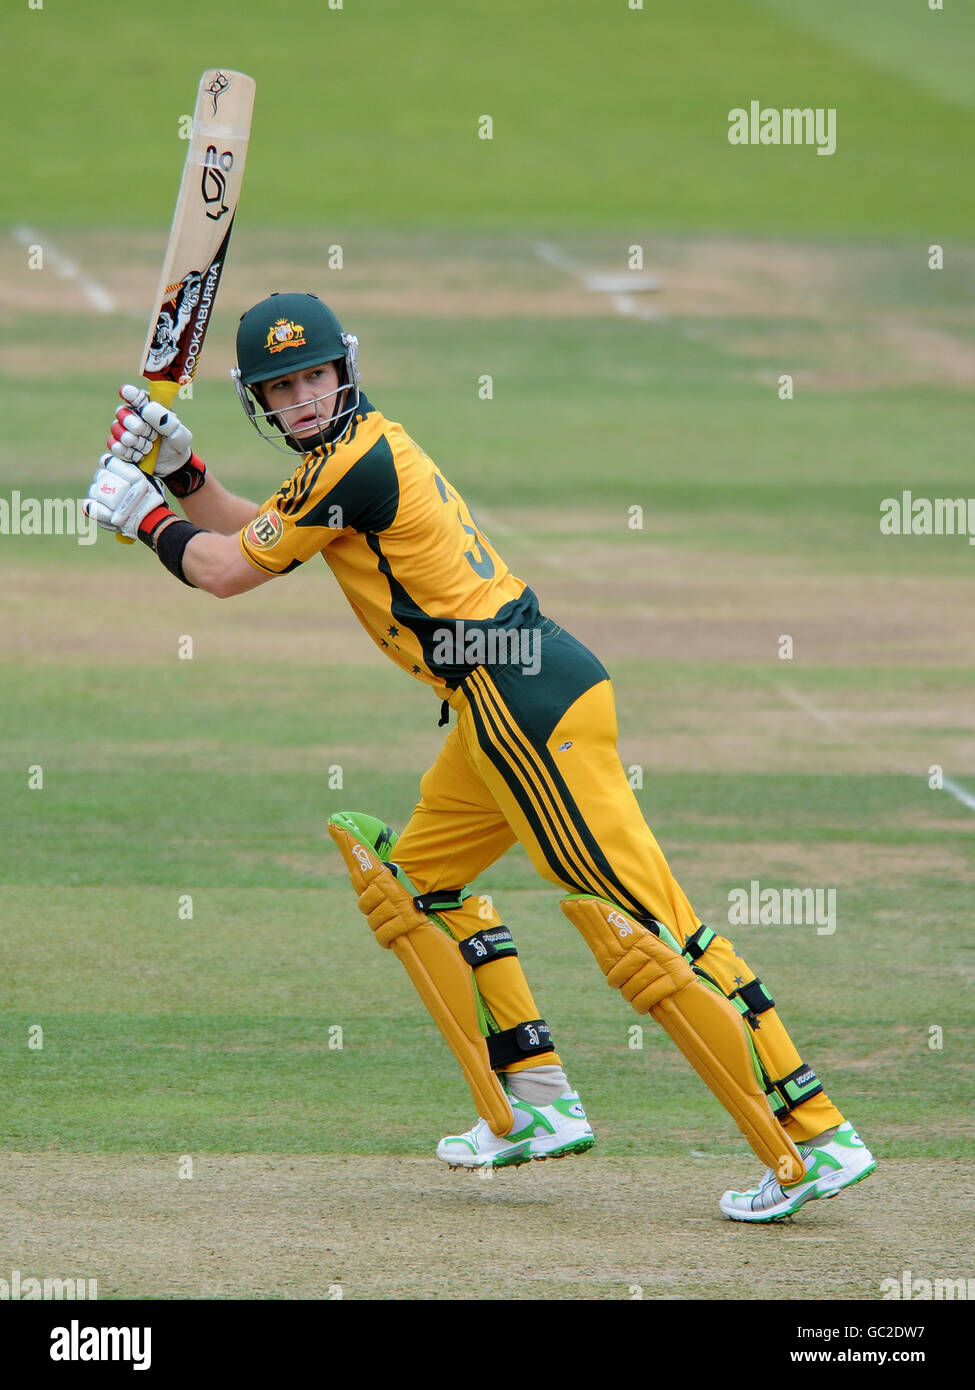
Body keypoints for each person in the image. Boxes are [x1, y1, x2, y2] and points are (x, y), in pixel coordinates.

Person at [86, 292, 876, 1221]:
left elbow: (223, 569)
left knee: (646, 932)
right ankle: (535, 1106)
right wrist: (181, 475)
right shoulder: (348, 459)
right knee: (412, 889)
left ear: (345, 368)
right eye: (281, 387)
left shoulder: (355, 460)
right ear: (261, 399)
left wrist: (144, 518)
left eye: (313, 377)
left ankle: (814, 1137)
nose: (302, 398)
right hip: (493, 704)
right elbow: (260, 528)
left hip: (524, 702)